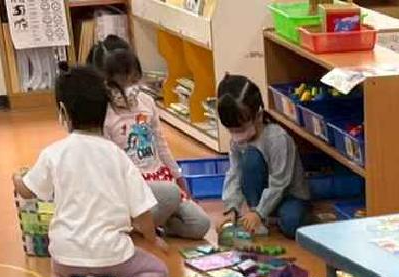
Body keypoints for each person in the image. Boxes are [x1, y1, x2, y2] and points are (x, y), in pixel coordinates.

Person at [13, 65, 168, 277]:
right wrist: (152, 239)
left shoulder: (54, 153)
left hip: (65, 257)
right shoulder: (117, 155)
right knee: (158, 272)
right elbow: (142, 212)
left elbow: (27, 191)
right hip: (112, 255)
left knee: (59, 267)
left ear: (63, 111)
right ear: (106, 110)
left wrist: (17, 180)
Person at [90, 38, 212, 241]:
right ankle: (144, 226)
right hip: (133, 188)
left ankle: (155, 225)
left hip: (159, 176)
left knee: (200, 224)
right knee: (169, 195)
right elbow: (109, 164)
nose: (131, 87)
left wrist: (178, 175)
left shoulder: (146, 103)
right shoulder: (105, 114)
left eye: (134, 80)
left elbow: (161, 143)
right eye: (123, 82)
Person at [217, 75, 311, 240]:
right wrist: (232, 207)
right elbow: (234, 173)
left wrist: (260, 213)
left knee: (292, 224)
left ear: (258, 116)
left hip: (289, 195)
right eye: (232, 131)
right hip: (261, 197)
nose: (237, 135)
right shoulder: (238, 141)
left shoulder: (277, 138)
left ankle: (266, 216)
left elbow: (280, 183)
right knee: (250, 158)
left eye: (241, 129)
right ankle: (261, 215)